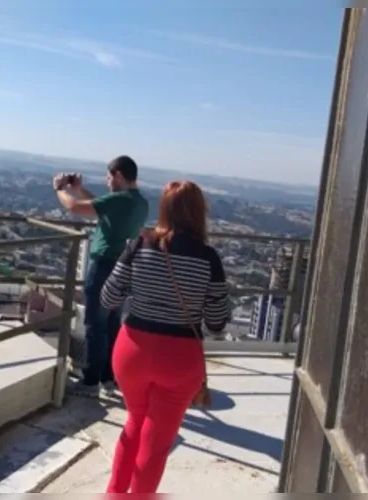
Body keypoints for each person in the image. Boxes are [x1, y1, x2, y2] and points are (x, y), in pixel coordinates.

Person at [98, 180, 231, 493]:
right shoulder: (209, 260)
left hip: (132, 351)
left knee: (134, 423)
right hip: (179, 359)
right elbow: (216, 323)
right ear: (200, 213)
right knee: (156, 444)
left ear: (164, 210)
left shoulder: (138, 245)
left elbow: (108, 298)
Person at [53, 155, 149, 397]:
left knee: (95, 323)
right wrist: (78, 188)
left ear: (118, 175)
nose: (107, 182)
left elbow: (74, 208)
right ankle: (109, 377)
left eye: (109, 177)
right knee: (112, 323)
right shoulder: (139, 203)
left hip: (104, 264)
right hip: (123, 268)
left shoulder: (121, 199)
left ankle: (91, 380)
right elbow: (102, 205)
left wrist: (60, 189)